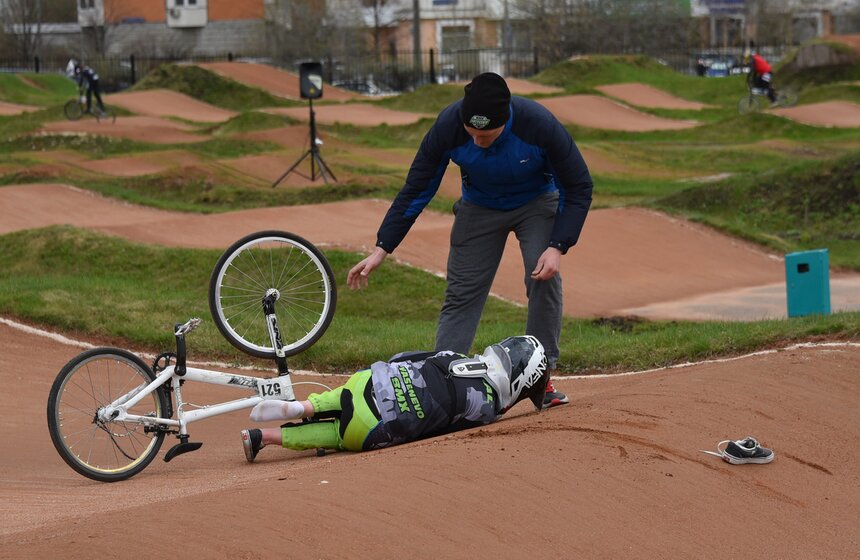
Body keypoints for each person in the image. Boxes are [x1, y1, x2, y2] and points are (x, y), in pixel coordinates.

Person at [346, 72, 593, 409]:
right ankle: (442, 384)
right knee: (462, 291)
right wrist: (382, 248)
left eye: (486, 135)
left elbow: (578, 186)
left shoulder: (538, 124)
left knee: (543, 278)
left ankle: (541, 376)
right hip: (479, 206)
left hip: (536, 202)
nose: (477, 141)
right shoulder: (448, 125)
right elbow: (417, 189)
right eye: (472, 134)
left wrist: (557, 246)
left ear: (505, 122)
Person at [241, 335, 549, 461]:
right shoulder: (485, 410)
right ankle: (263, 437)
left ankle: (304, 406)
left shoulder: (454, 354)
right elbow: (438, 431)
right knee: (336, 434)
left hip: (365, 383)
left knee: (344, 394)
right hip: (373, 426)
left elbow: (402, 356)